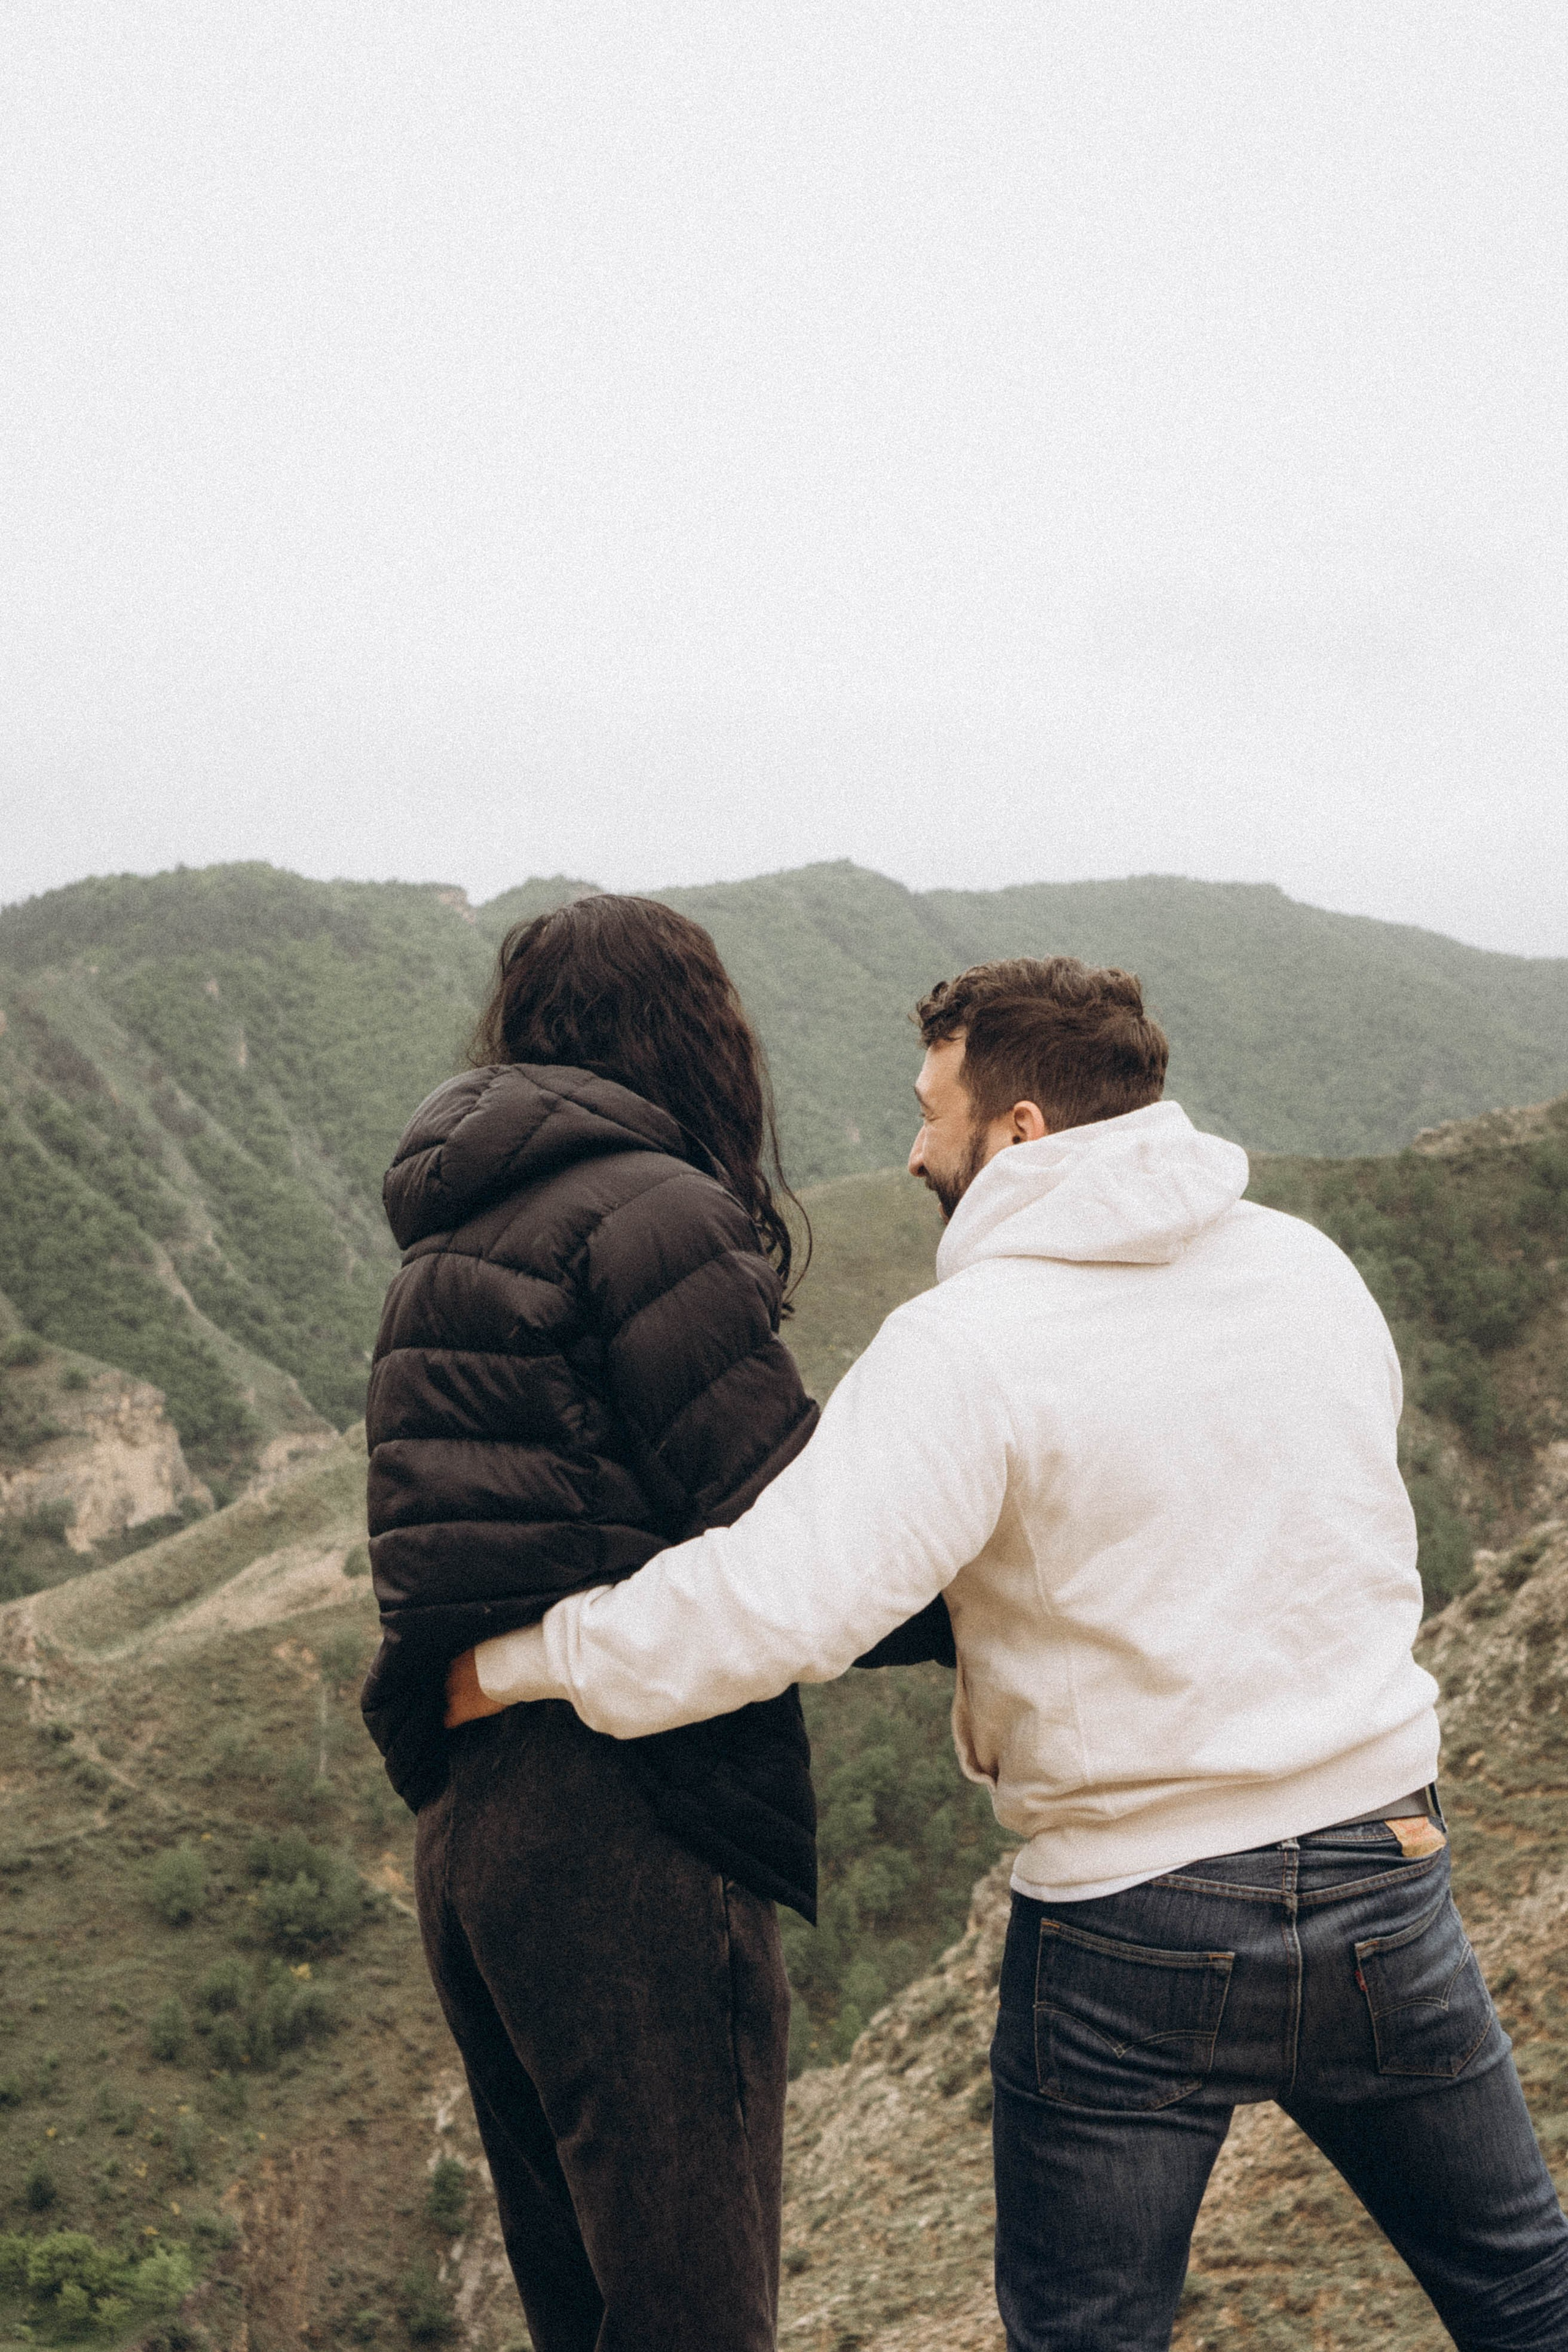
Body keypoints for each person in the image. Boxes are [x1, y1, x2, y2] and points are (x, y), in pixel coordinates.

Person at [449, 954, 1568, 2352]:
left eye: (933, 1112)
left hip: (1135, 1920)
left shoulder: (969, 1345)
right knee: (1524, 2288)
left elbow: (776, 1607)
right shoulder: (1304, 1265)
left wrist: (516, 1661)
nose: (912, 1149)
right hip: (1381, 1872)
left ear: (1020, 1129)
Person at [360, 895, 949, 2352]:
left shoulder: (446, 1244)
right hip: (628, 1816)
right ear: (695, 1031)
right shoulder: (656, 1212)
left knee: (585, 2308)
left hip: (472, 1828)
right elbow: (793, 1534)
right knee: (691, 2313)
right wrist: (1010, 1596)